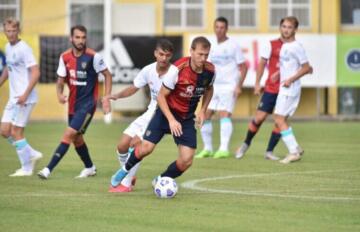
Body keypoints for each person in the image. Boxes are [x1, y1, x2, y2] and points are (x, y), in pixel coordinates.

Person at [109, 36, 215, 192]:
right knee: (145, 147)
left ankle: (160, 180)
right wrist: (171, 120)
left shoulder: (210, 71)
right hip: (165, 113)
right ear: (191, 51)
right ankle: (124, 172)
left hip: (185, 119)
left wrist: (203, 110)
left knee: (186, 160)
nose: (203, 58)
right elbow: (160, 96)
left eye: (206, 55)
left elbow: (209, 89)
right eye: (200, 54)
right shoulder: (177, 70)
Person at [38, 25, 112, 179]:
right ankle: (90, 167)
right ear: (71, 38)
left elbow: (108, 75)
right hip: (73, 105)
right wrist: (59, 94)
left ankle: (47, 169)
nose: (81, 40)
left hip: (88, 105)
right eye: (77, 37)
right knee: (77, 139)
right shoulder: (64, 57)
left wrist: (106, 98)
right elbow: (60, 79)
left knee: (69, 133)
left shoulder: (93, 56)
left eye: (83, 37)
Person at [106, 39, 177, 192]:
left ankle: (126, 184)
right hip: (149, 112)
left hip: (161, 114)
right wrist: (117, 96)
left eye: (167, 55)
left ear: (171, 56)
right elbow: (134, 87)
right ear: (155, 53)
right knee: (122, 145)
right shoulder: (148, 70)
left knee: (135, 144)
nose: (164, 58)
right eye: (161, 54)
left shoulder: (174, 73)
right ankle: (129, 175)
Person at [195, 17, 247, 159]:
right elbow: (206, 65)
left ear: (226, 28)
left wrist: (238, 86)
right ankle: (208, 148)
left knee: (224, 114)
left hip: (229, 86)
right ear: (214, 28)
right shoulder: (210, 46)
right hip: (212, 86)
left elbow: (243, 67)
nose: (219, 30)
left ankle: (223, 149)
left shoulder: (233, 45)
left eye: (222, 27)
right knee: (205, 115)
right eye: (217, 27)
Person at [0, 18, 42, 176]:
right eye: (8, 31)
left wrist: (25, 94)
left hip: (25, 97)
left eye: (13, 31)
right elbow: (7, 69)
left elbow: (36, 72)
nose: (10, 34)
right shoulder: (7, 47)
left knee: (16, 131)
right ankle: (31, 153)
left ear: (18, 31)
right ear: (5, 31)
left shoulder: (24, 48)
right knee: (4, 131)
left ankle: (26, 168)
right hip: (14, 98)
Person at [273, 16, 312, 164]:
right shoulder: (285, 46)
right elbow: (299, 66)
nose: (286, 30)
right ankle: (295, 148)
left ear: (295, 29)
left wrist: (290, 79)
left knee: (279, 118)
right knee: (279, 118)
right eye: (284, 26)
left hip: (290, 88)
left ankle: (294, 152)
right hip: (285, 86)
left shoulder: (296, 46)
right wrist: (279, 73)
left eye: (289, 27)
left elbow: (306, 67)